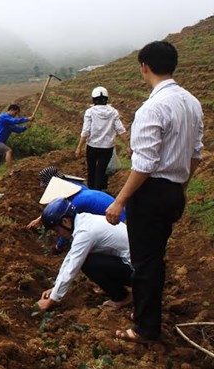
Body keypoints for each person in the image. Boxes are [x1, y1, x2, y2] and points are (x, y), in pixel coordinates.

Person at [105, 41, 203, 342]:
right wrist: (181, 188)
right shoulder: (192, 102)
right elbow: (196, 153)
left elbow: (145, 164)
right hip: (173, 190)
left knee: (144, 262)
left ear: (144, 66)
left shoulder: (152, 107)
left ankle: (145, 328)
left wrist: (120, 201)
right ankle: (145, 312)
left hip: (150, 193)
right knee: (154, 257)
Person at [37, 198, 133, 312]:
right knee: (88, 259)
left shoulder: (84, 233)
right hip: (138, 264)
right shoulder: (83, 220)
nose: (59, 235)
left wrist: (51, 300)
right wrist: (55, 288)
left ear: (65, 222)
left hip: (138, 272)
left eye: (57, 230)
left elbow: (72, 268)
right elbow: (71, 256)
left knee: (88, 263)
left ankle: (123, 297)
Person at [27, 176, 125, 254]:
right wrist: (40, 218)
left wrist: (58, 247)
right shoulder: (79, 190)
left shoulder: (75, 205)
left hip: (119, 225)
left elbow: (66, 228)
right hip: (121, 215)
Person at [75, 86, 131, 191]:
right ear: (106, 98)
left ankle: (91, 190)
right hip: (107, 147)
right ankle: (101, 190)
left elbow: (86, 131)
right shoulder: (113, 112)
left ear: (93, 99)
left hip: (92, 146)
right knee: (102, 170)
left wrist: (79, 147)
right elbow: (121, 130)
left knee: (91, 169)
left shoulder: (90, 112)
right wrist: (128, 145)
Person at [0, 103, 34, 181]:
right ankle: (11, 170)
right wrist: (27, 119)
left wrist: (26, 127)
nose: (15, 115)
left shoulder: (9, 123)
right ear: (11, 110)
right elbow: (15, 121)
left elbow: (18, 130)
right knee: (8, 151)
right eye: (15, 113)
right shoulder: (3, 116)